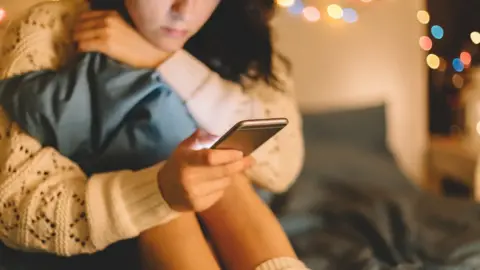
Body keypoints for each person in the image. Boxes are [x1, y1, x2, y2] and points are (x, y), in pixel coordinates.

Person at [0, 0, 306, 269]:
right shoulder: (49, 27)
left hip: (222, 231)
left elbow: (282, 166)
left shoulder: (244, 31)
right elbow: (13, 209)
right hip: (105, 239)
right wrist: (157, 190)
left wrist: (161, 59)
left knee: (220, 168)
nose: (185, 10)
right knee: (175, 190)